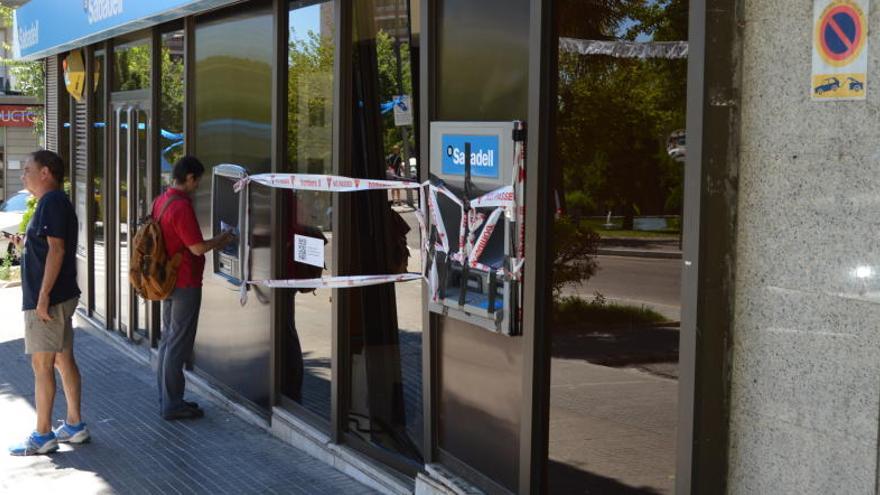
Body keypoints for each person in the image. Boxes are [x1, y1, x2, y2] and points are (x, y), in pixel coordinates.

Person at [8, 150, 88, 456]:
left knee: (41, 365)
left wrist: (42, 299)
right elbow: (49, 247)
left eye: (27, 169)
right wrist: (27, 243)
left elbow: (57, 250)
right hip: (58, 297)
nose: (22, 174)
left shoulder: (52, 201)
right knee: (62, 359)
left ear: (46, 173)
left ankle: (43, 435)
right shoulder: (53, 203)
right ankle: (75, 425)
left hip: (49, 301)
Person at [155, 156, 233, 420]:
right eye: (197, 180)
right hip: (184, 281)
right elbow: (197, 248)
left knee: (168, 340)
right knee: (178, 343)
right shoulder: (181, 207)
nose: (198, 185)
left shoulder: (161, 200)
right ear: (189, 177)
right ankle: (173, 405)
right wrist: (222, 239)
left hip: (166, 279)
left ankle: (167, 398)